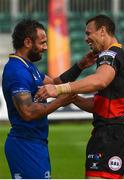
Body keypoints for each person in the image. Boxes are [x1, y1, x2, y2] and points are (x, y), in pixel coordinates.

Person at [35, 15, 124, 179]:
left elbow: (100, 81)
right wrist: (75, 98)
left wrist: (59, 89)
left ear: (102, 31)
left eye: (89, 33)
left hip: (110, 134)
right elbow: (102, 104)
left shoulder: (109, 54)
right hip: (118, 134)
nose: (86, 38)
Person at [2, 19, 97, 179]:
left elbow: (54, 83)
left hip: (35, 143)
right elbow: (28, 112)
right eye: (42, 43)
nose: (45, 48)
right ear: (27, 42)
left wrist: (80, 65)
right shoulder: (17, 71)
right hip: (25, 144)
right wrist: (62, 101)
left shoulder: (27, 66)